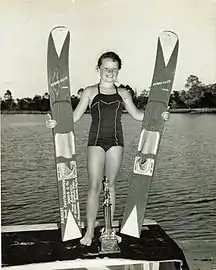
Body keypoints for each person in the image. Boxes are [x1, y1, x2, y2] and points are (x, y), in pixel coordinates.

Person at [46, 51, 170, 246]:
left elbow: (139, 116)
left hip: (116, 142)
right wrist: (56, 122)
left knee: (110, 185)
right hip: (95, 142)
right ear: (99, 69)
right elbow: (74, 117)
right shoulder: (89, 92)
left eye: (114, 69)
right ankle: (89, 231)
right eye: (106, 69)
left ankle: (109, 229)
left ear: (118, 70)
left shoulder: (123, 93)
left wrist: (159, 115)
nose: (110, 72)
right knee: (94, 186)